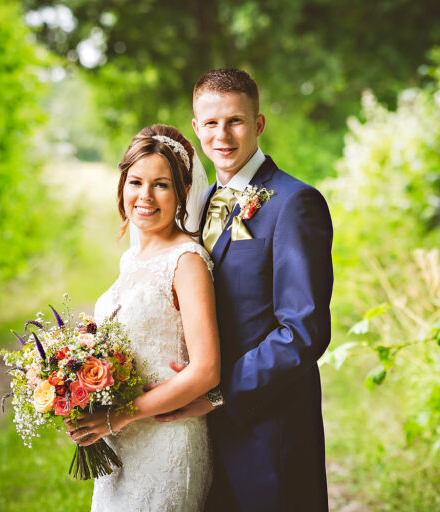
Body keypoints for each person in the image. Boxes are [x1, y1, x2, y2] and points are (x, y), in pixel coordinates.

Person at [154, 68, 334, 511]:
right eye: (211, 123)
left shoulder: (294, 203)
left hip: (270, 427)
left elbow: (304, 331)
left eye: (235, 121)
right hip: (199, 432)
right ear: (196, 128)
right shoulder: (197, 204)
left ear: (258, 124)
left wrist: (217, 393)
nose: (223, 135)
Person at [65, 124, 220, 511]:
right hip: (121, 442)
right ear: (122, 186)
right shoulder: (131, 258)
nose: (145, 196)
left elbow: (206, 371)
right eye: (136, 182)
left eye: (161, 185)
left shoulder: (187, 262)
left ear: (184, 192)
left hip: (167, 443)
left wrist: (117, 416)